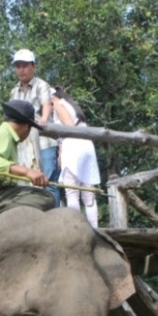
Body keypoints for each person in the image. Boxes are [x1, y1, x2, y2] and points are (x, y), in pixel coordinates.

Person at [0, 100, 55, 231]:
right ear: (26, 126)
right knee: (46, 197)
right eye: (30, 128)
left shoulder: (5, 136)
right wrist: (27, 172)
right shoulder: (2, 134)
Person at [9, 48, 61, 206]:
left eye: (24, 66)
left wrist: (44, 119)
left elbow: (47, 103)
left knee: (49, 181)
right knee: (27, 182)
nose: (21, 70)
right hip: (23, 145)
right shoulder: (14, 91)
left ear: (33, 67)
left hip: (44, 142)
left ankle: (54, 218)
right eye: (18, 66)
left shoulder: (41, 85)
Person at [53, 87, 101, 227]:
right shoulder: (70, 104)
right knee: (89, 193)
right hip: (86, 144)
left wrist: (60, 151)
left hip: (73, 146)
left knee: (72, 192)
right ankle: (94, 228)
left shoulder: (58, 104)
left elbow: (69, 127)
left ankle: (76, 228)